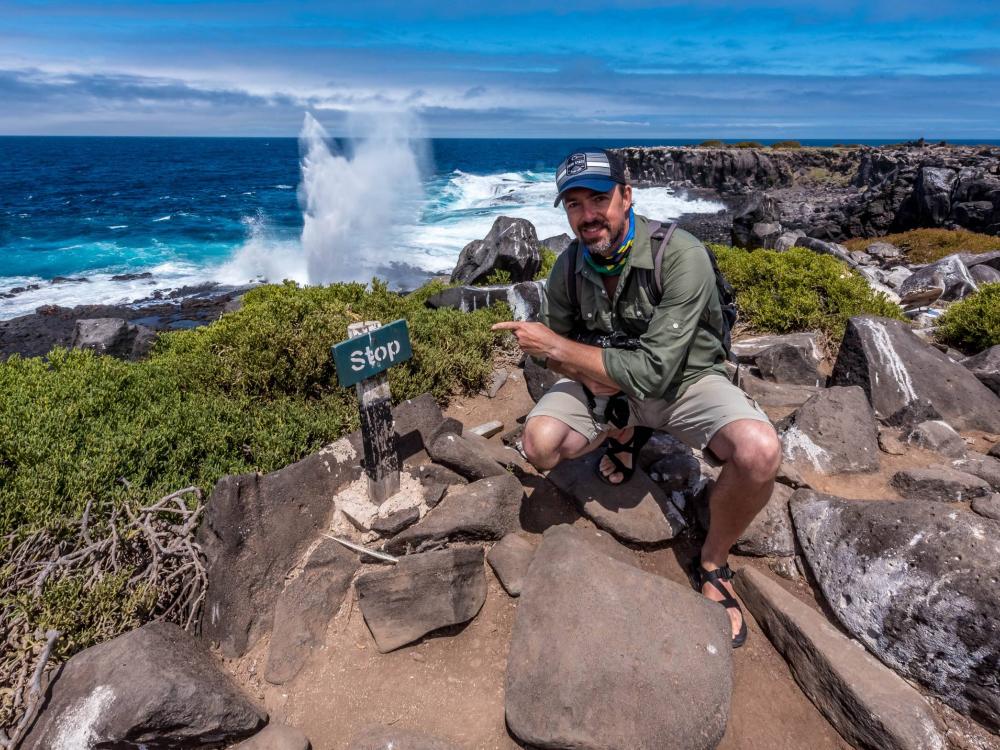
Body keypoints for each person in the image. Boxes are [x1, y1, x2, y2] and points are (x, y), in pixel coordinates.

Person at [492, 148, 781, 648]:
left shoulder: (681, 254)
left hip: (686, 383)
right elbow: (552, 358)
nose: (587, 215)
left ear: (627, 196)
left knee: (759, 451)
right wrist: (567, 360)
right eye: (574, 204)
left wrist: (562, 349)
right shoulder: (567, 267)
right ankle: (625, 432)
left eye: (599, 199)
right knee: (538, 444)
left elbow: (650, 369)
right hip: (608, 387)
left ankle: (712, 561)